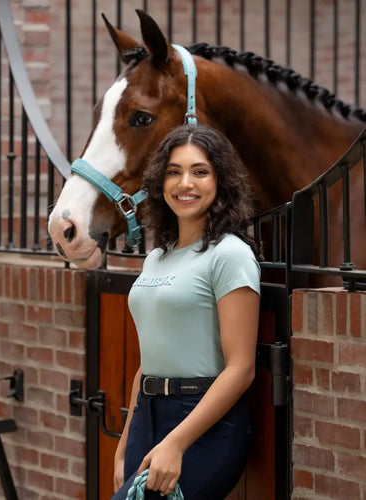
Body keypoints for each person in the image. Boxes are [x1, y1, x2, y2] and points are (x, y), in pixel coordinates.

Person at [111, 124, 261, 500]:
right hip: (147, 414)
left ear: (220, 180)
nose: (185, 183)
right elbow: (149, 360)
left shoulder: (230, 255)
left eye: (200, 171)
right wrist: (125, 440)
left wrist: (176, 443)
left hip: (203, 423)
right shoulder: (156, 258)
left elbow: (241, 368)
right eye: (174, 172)